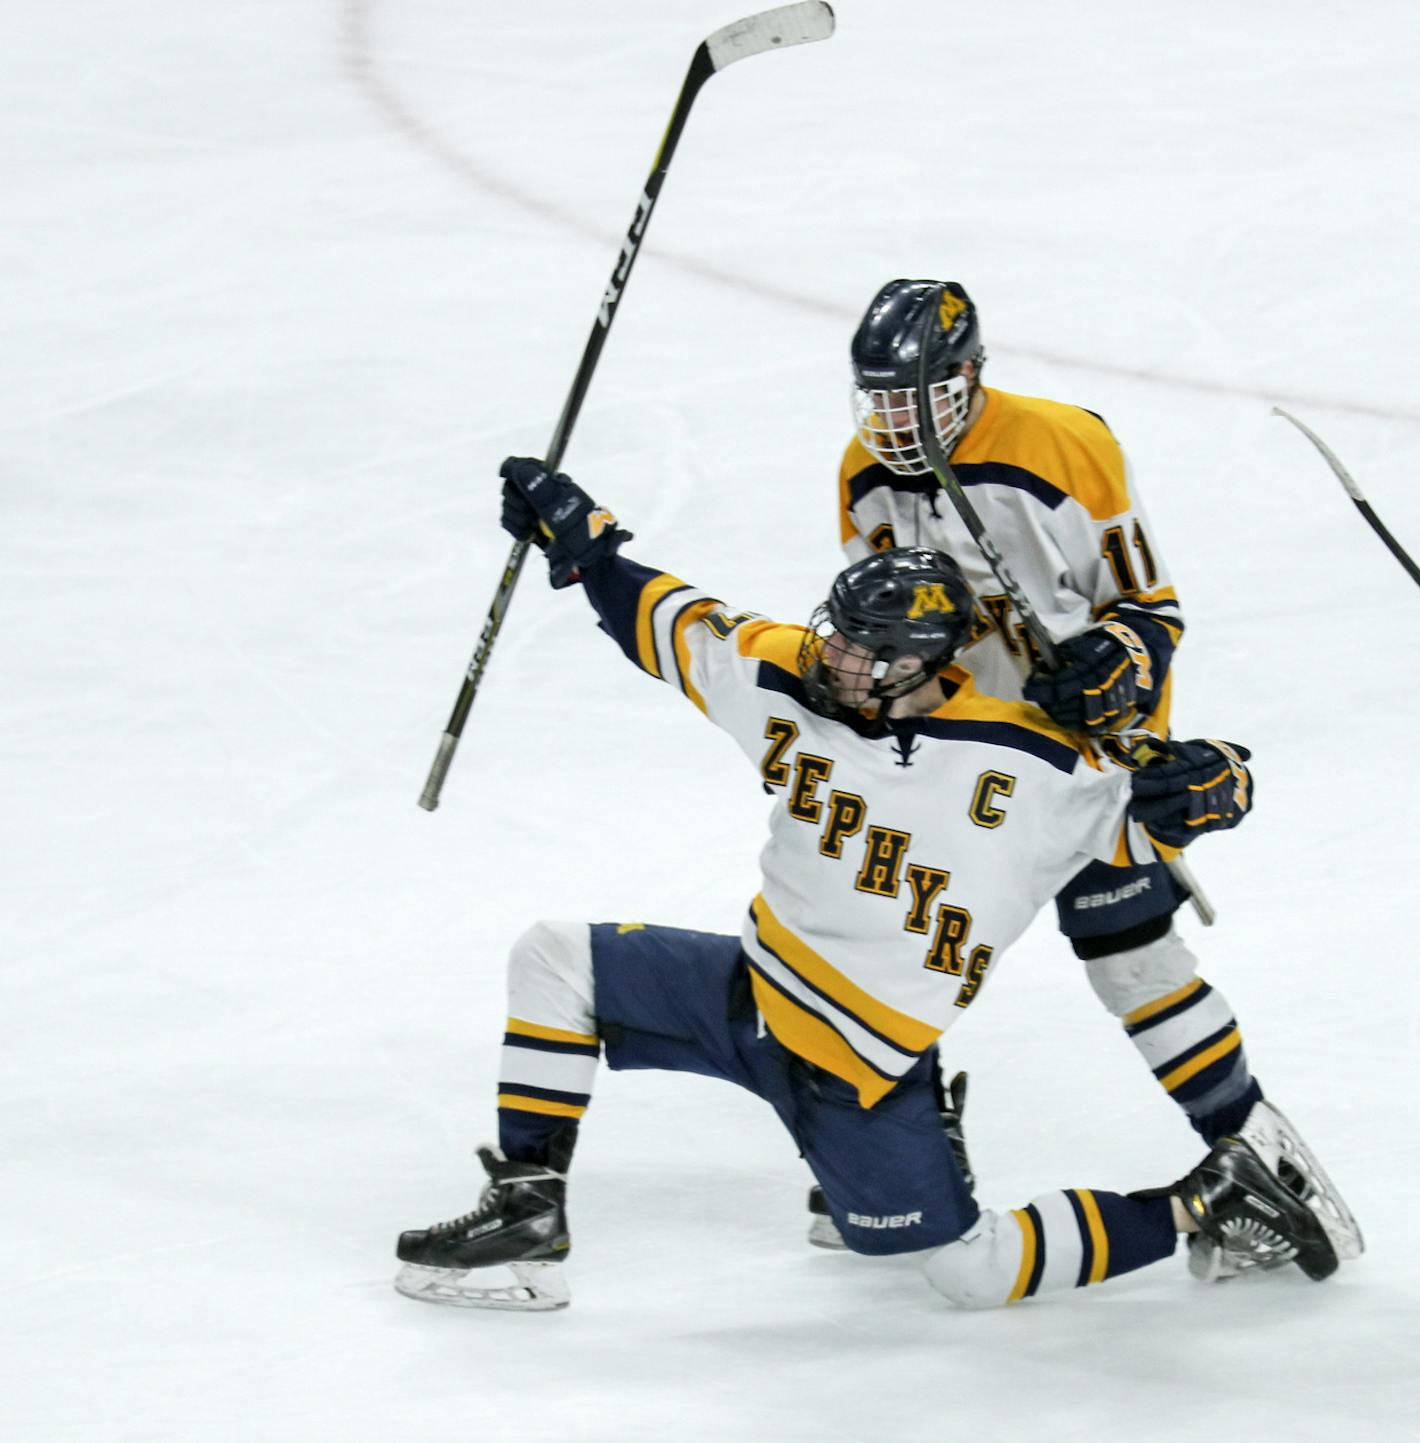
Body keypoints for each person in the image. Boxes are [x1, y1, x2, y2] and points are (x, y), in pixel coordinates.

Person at [393, 458, 1341, 1313]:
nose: (832, 656)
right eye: (836, 635)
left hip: (862, 1073)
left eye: (861, 649)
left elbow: (1171, 807)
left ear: (929, 664)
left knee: (966, 1273)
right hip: (747, 995)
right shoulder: (793, 678)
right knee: (556, 957)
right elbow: (673, 624)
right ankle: (526, 1219)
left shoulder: (1037, 768)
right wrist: (585, 542)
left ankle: (1205, 1198)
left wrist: (1219, 777)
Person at [818, 277, 1362, 1277]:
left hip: (1076, 763)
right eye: (880, 401)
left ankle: (1258, 1154)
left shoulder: (1066, 445)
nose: (895, 423)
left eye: (917, 399)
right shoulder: (863, 473)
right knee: (899, 941)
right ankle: (892, 1141)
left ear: (969, 377)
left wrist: (1120, 664)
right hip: (959, 756)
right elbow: (871, 626)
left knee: (1133, 960)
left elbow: (1149, 607)